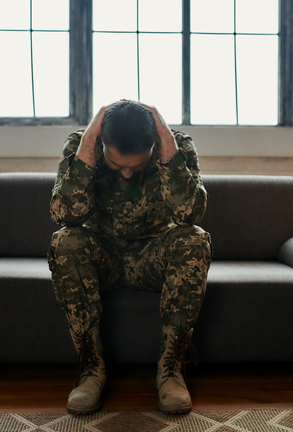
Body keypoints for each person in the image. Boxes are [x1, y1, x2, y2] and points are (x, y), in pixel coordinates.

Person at [47, 100, 212, 415]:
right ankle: (91, 370)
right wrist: (89, 147)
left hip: (152, 256)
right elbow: (65, 214)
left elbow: (189, 213)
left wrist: (167, 146)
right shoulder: (81, 145)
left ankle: (171, 369)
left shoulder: (176, 147)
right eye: (116, 162)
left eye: (136, 165)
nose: (125, 172)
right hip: (103, 255)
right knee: (65, 241)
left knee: (195, 240)